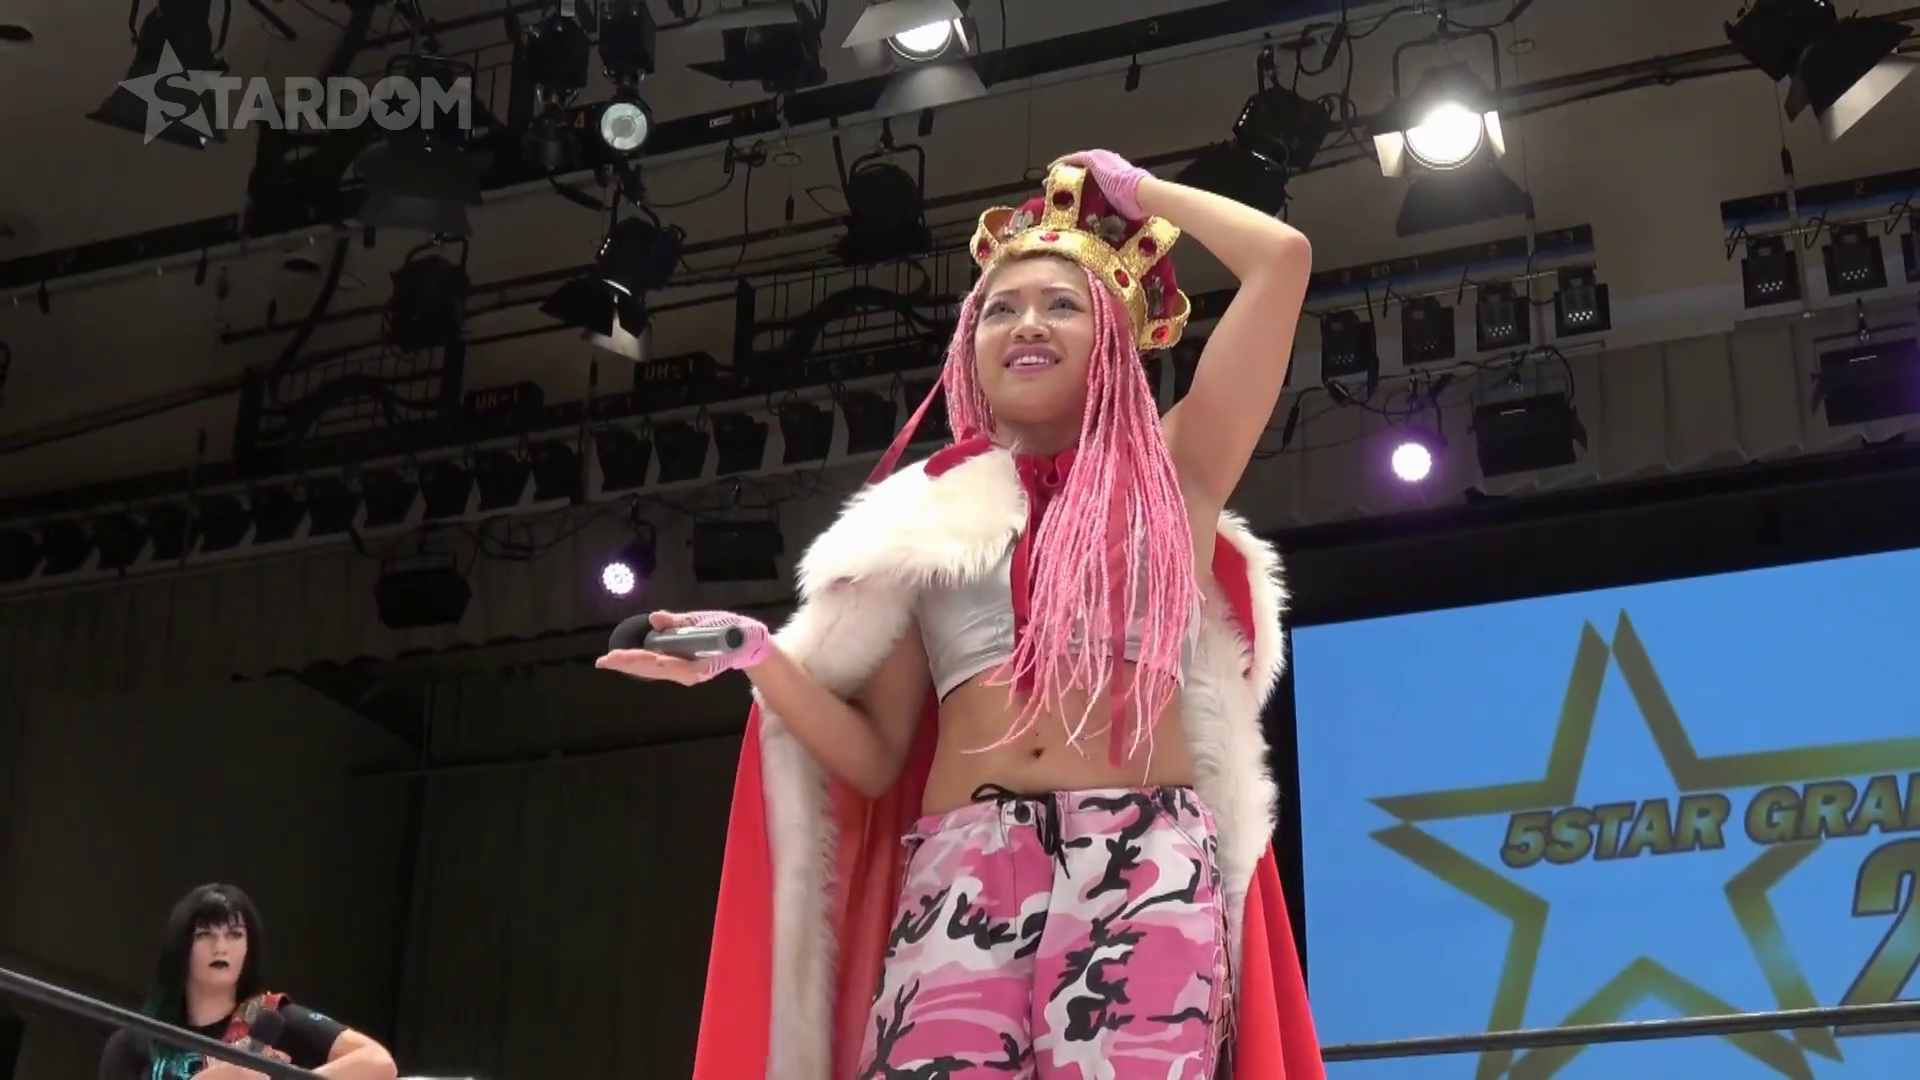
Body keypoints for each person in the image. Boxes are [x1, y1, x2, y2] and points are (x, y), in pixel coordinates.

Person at [599, 150, 1321, 1079]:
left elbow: (1281, 260)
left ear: (1116, 334)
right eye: (1000, 308)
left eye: (1062, 304)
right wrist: (755, 655)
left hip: (1138, 859)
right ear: (968, 345)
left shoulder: (1176, 475)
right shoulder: (927, 520)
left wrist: (1135, 190)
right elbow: (876, 757)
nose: (1028, 323)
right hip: (963, 865)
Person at [99, 884, 398, 1080]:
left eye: (234, 935)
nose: (221, 947)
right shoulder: (135, 1041)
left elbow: (378, 1062)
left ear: (249, 947)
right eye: (204, 935)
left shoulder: (271, 1017)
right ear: (181, 947)